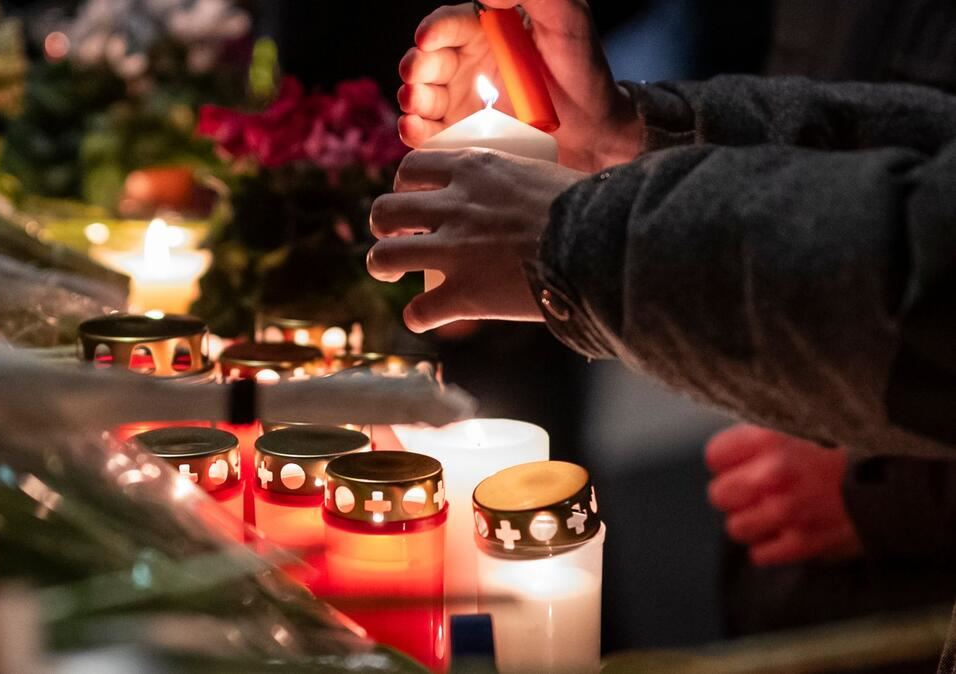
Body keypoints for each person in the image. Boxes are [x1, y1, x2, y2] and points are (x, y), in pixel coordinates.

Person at [370, 1, 956, 666]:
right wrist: (632, 141)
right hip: (795, 578)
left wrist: (584, 239)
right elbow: (904, 138)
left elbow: (932, 249)